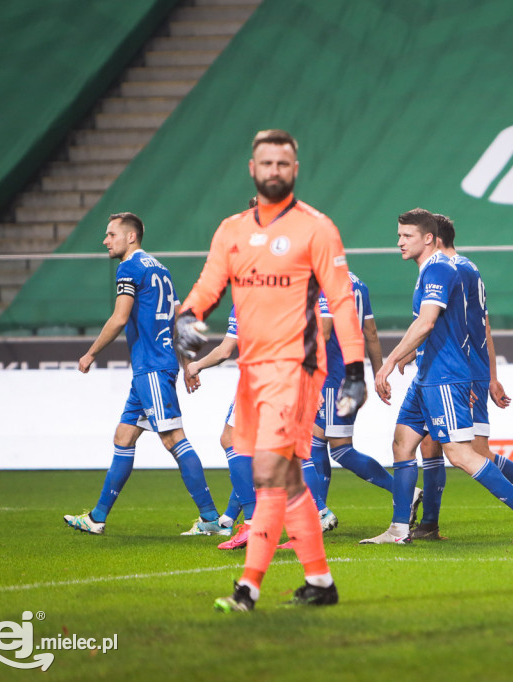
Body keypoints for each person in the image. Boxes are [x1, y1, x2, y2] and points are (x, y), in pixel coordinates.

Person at [175, 129, 367, 611]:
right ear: (252, 168)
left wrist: (357, 369)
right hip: (252, 371)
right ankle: (321, 584)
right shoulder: (231, 230)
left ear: (295, 170)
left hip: (298, 368)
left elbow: (343, 303)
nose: (275, 171)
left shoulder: (317, 228)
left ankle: (248, 588)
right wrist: (187, 317)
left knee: (266, 471)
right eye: (267, 163)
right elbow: (207, 287)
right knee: (287, 478)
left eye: (283, 164)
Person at [362, 208, 513, 545]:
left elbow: (427, 322)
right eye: (399, 235)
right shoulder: (436, 270)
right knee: (403, 443)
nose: (399, 242)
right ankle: (400, 529)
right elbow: (441, 325)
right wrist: (414, 352)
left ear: (429, 238)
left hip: (446, 375)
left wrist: (390, 361)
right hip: (428, 373)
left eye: (407, 236)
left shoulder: (439, 270)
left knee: (460, 453)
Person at [64, 212, 222, 536]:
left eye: (111, 234)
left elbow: (120, 318)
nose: (105, 241)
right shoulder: (160, 270)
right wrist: (185, 363)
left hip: (151, 366)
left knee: (173, 438)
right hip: (152, 368)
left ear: (130, 236)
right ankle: (96, 518)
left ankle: (210, 519)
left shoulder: (130, 267)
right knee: (123, 437)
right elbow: (179, 320)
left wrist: (91, 352)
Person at [411, 213, 513, 541]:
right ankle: (429, 524)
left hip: (459, 371)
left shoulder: (455, 270)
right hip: (454, 371)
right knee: (431, 443)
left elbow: (474, 327)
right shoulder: (465, 268)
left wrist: (478, 377)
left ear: (433, 239)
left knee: (475, 452)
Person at [304, 272, 395, 533]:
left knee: (340, 449)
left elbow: (324, 329)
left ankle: (401, 490)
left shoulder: (325, 282)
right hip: (349, 373)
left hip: (332, 376)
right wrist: (377, 374)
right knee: (317, 441)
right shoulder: (359, 284)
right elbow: (372, 333)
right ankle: (319, 511)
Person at [183, 306, 258, 551]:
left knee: (231, 440)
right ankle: (228, 518)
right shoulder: (289, 289)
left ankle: (252, 523)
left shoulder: (248, 296)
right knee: (267, 450)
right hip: (290, 375)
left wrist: (196, 366)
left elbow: (225, 350)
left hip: (258, 378)